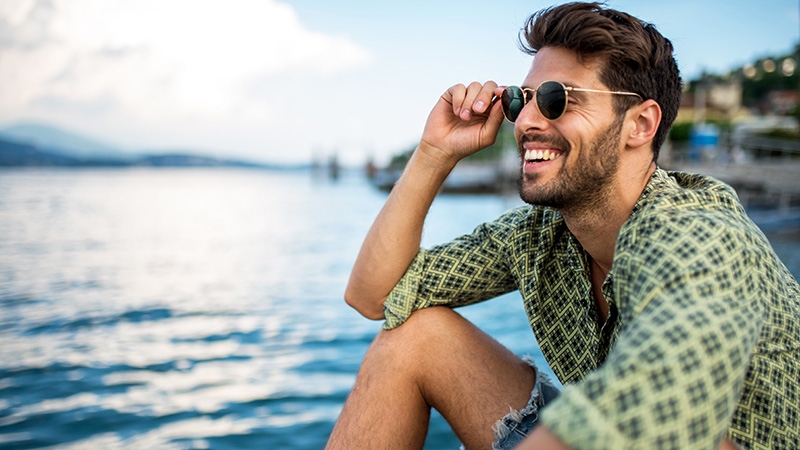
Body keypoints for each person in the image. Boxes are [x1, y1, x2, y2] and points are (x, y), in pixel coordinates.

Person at [326, 2, 800, 449]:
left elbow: (660, 408)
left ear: (640, 124)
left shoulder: (697, 234)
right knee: (413, 337)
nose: (526, 120)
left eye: (556, 99)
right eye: (520, 100)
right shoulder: (539, 235)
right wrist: (435, 153)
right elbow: (374, 295)